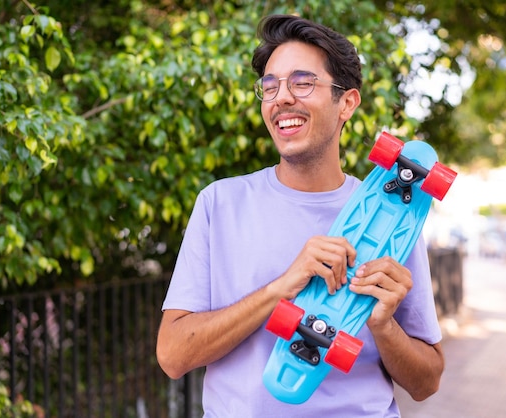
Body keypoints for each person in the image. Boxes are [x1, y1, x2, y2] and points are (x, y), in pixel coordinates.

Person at [156, 14, 444, 417]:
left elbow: (427, 381)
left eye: (302, 82)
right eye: (270, 86)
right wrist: (282, 287)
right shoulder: (220, 204)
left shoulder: (394, 214)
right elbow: (172, 355)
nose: (281, 98)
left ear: (347, 102)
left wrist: (383, 326)